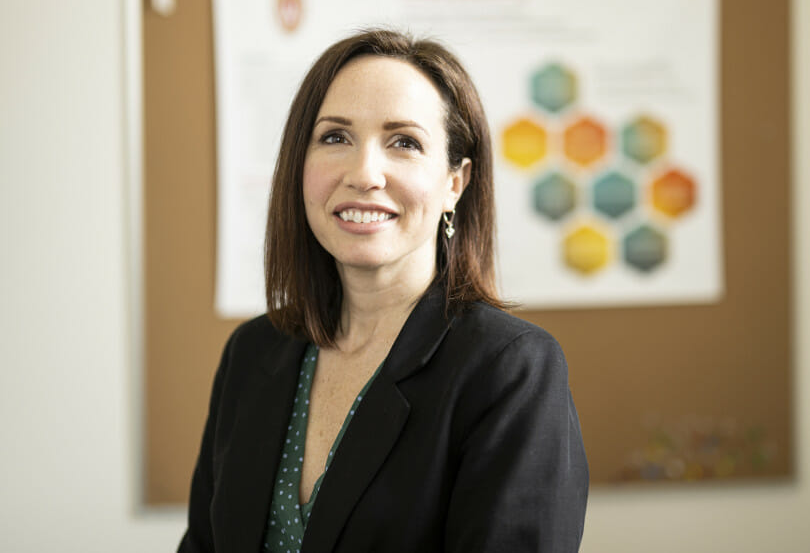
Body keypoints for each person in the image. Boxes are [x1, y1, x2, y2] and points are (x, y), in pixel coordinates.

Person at [178, 29, 589, 553]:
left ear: (454, 183)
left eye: (404, 142)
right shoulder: (254, 352)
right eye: (335, 138)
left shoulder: (509, 370)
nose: (364, 173)